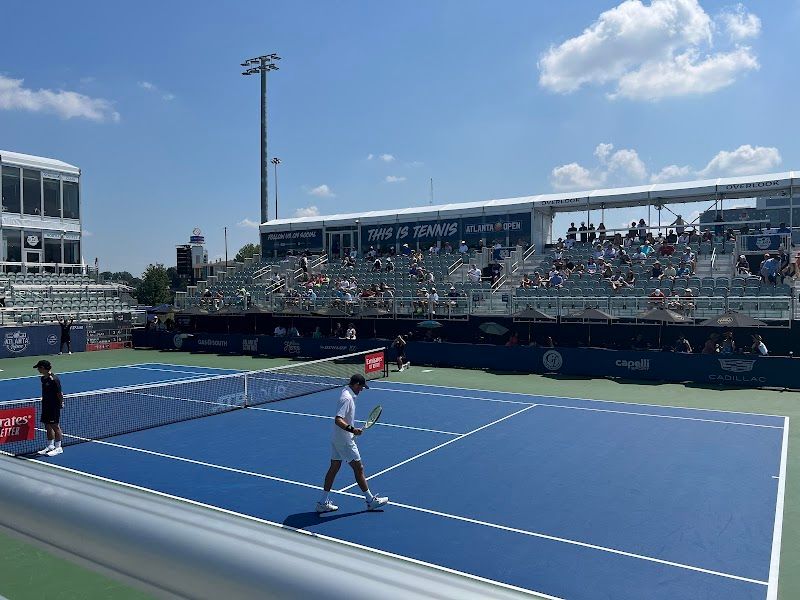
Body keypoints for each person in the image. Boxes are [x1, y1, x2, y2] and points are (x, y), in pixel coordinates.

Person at [316, 374, 389, 513]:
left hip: (337, 438)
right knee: (359, 468)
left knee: (334, 467)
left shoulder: (346, 393)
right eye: (361, 387)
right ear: (356, 384)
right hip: (344, 440)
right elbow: (338, 419)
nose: (362, 390)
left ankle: (322, 502)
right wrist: (352, 429)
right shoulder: (347, 398)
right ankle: (370, 500)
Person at [34, 360, 65, 456]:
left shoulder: (54, 379)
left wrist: (61, 403)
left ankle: (58, 447)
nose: (38, 369)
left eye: (39, 367)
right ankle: (50, 445)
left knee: (55, 426)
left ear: (43, 368)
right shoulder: (43, 379)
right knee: (47, 425)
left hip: (53, 405)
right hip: (45, 405)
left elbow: (59, 394)